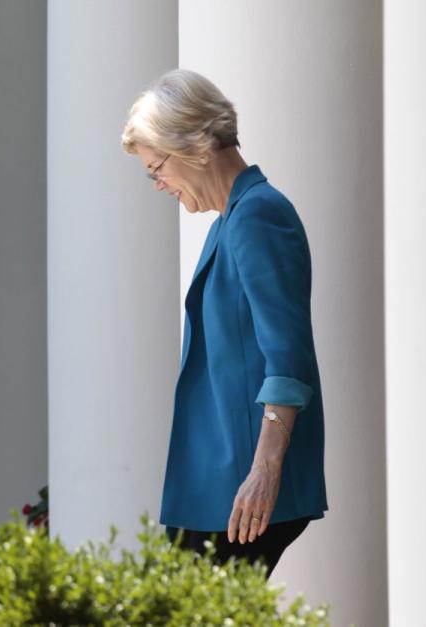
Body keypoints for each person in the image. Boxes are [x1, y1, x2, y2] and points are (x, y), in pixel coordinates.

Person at [121, 70, 326, 575]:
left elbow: (288, 356)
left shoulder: (258, 216)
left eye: (156, 168)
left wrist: (265, 468)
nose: (158, 184)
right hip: (217, 487)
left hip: (240, 489)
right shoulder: (229, 222)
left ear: (192, 144)